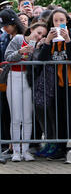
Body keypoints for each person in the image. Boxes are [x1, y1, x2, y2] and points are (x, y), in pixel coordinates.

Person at [35, 9, 71, 160]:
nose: (59, 23)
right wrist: (46, 42)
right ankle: (59, 149)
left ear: (67, 21)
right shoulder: (49, 38)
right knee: (59, 118)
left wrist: (68, 40)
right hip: (56, 84)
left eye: (62, 20)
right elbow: (41, 60)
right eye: (56, 21)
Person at [5, 21, 48, 162]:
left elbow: (38, 64)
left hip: (29, 80)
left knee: (28, 118)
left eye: (43, 35)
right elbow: (8, 57)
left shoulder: (39, 46)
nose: (39, 36)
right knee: (16, 118)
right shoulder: (18, 39)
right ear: (31, 30)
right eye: (38, 32)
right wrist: (20, 52)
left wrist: (39, 48)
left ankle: (25, 150)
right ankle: (16, 151)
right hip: (14, 77)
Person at [0, 9, 26, 161]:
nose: (5, 28)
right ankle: (9, 144)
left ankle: (17, 144)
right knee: (7, 112)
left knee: (18, 114)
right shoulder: (5, 37)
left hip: (17, 77)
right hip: (5, 78)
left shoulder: (19, 37)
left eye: (7, 25)